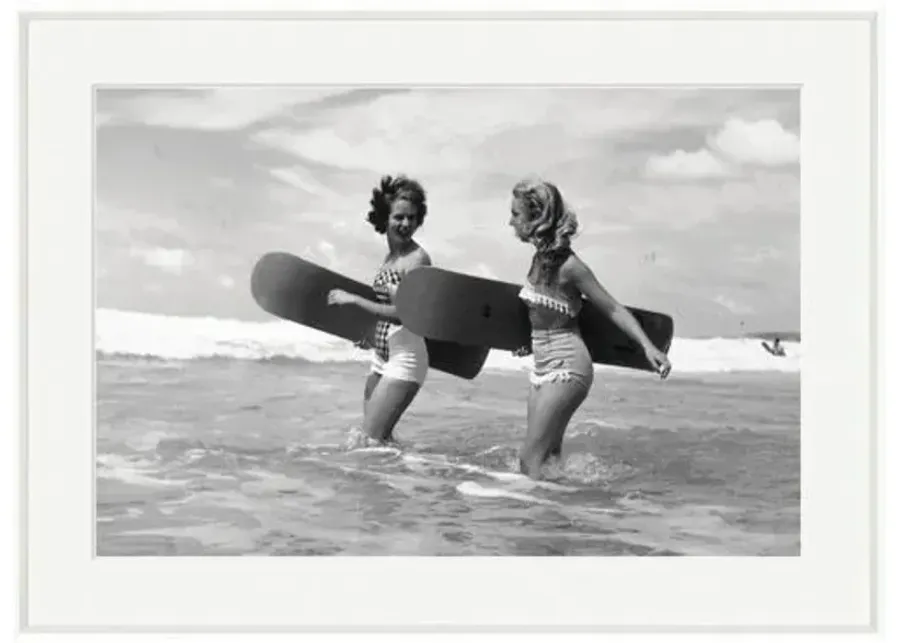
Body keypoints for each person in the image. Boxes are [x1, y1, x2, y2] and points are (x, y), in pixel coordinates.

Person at [507, 178, 672, 479]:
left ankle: (527, 522)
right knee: (548, 462)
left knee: (528, 460)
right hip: (541, 365)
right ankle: (561, 519)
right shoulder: (538, 260)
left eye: (516, 215)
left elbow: (611, 307)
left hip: (568, 368)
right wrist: (526, 343)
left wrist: (648, 346)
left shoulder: (570, 267)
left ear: (537, 217)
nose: (510, 222)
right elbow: (544, 317)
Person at [326, 175, 432, 442]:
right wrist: (371, 336)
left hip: (405, 359)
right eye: (399, 217)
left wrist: (355, 300)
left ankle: (416, 476)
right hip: (381, 358)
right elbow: (386, 309)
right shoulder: (389, 260)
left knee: (369, 439)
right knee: (375, 441)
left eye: (412, 217)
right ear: (385, 217)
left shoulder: (417, 259)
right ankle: (406, 477)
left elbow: (406, 315)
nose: (406, 223)